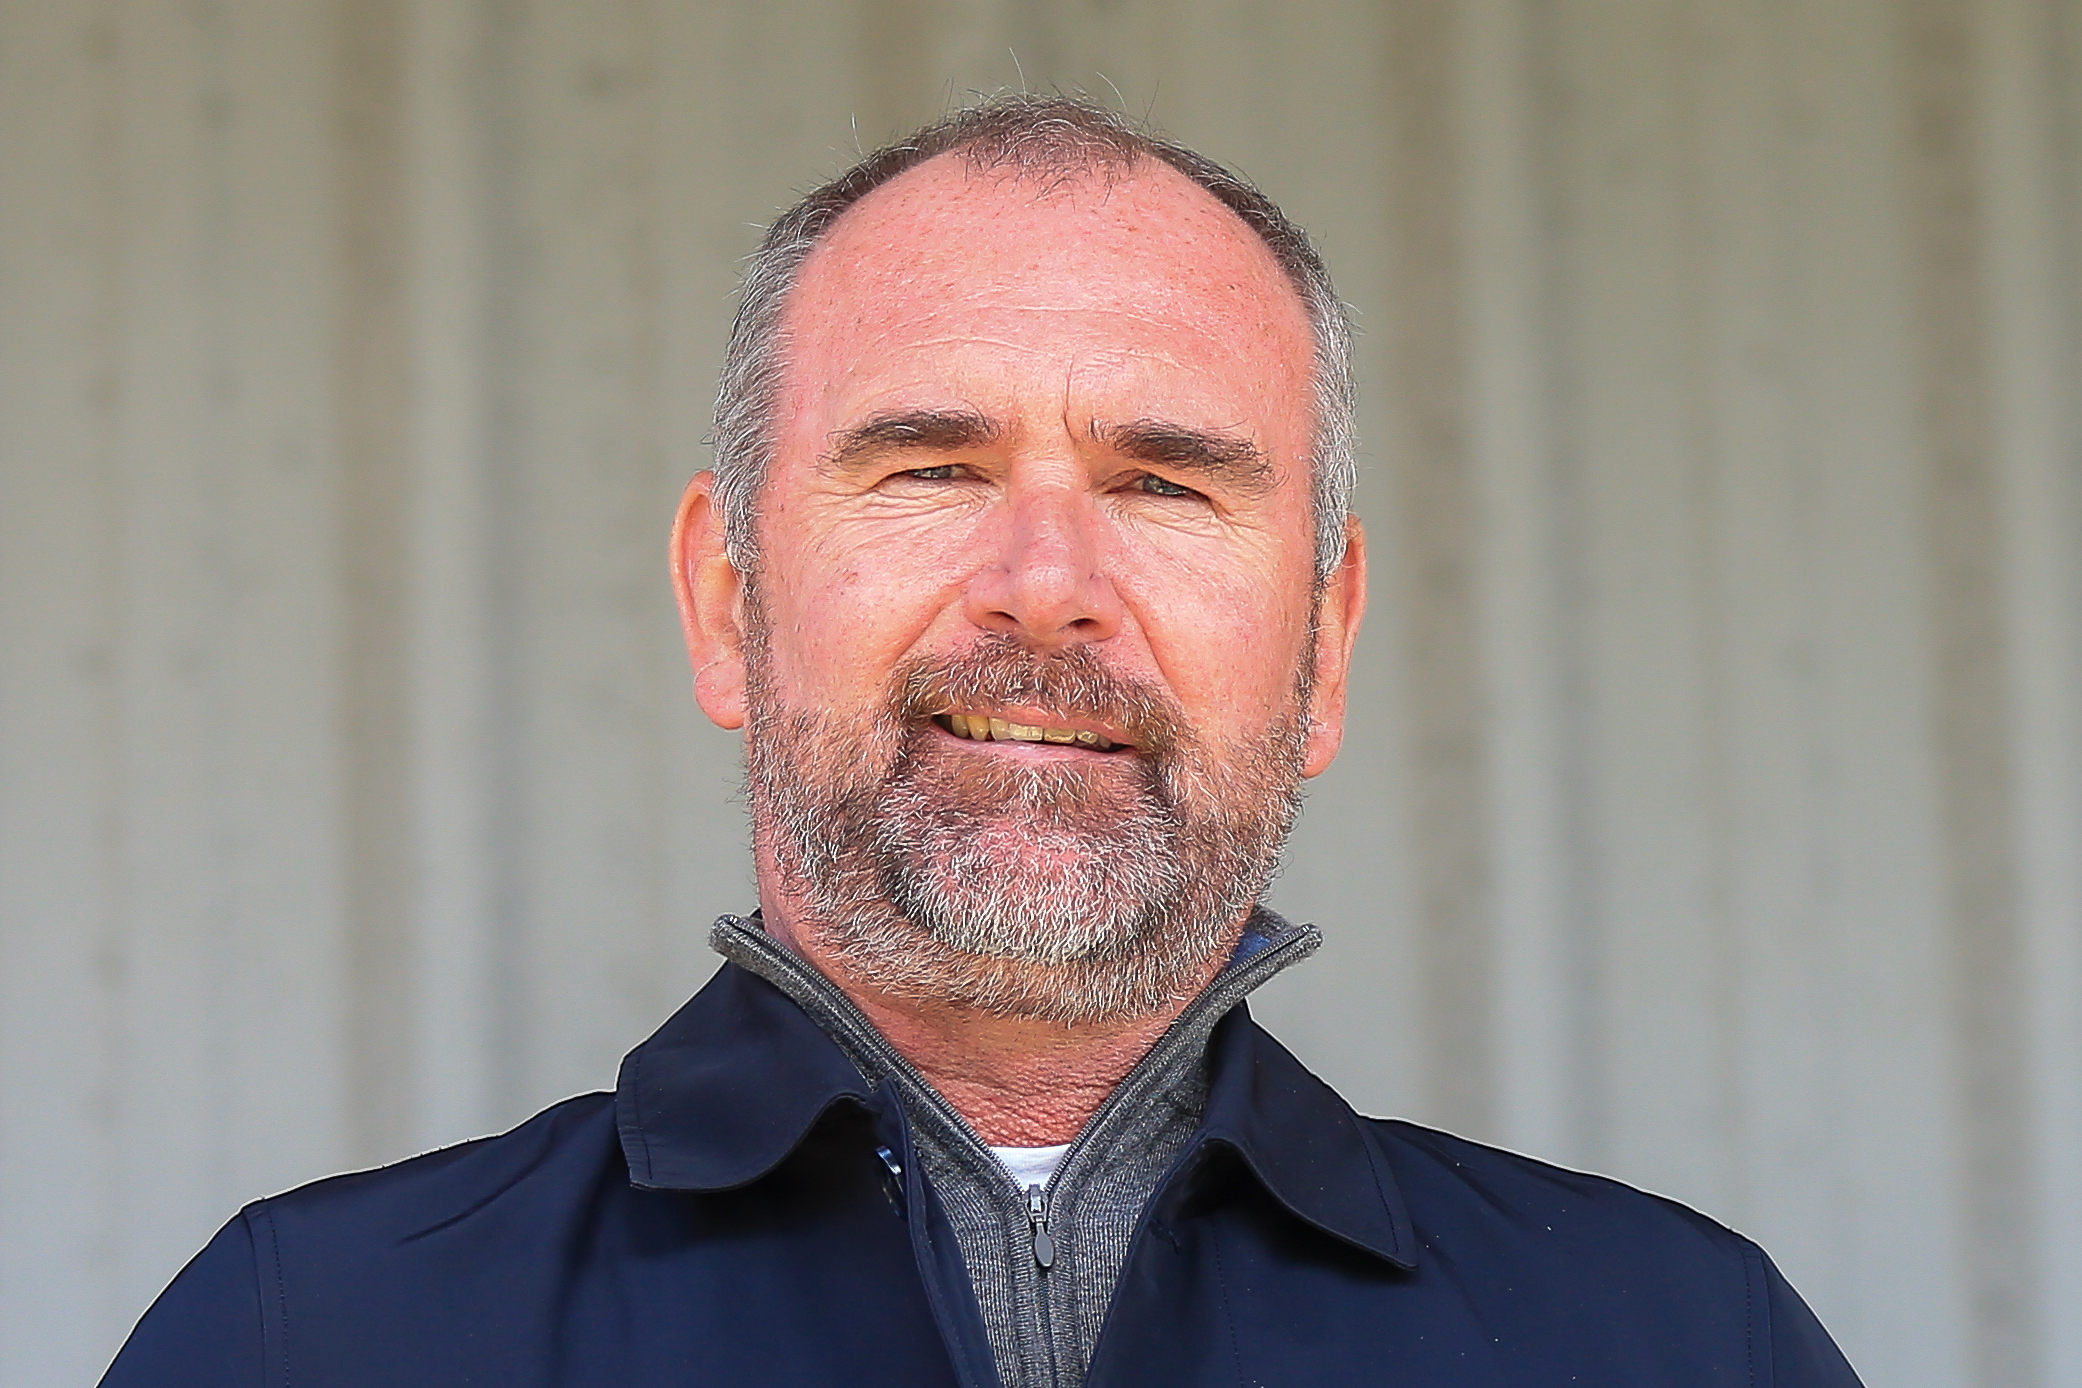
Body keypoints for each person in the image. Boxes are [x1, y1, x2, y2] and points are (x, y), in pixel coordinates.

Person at [103, 95, 1863, 1388]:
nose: (1043, 588)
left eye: (1163, 482)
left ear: (1325, 644)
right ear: (727, 603)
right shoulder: (312, 1336)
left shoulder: (1677, 1341)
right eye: (931, 466)